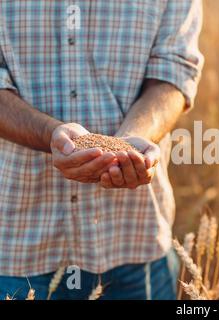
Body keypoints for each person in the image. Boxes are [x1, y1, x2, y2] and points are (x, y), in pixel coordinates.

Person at [0, 0, 203, 300]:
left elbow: (175, 70)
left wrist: (131, 141)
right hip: (18, 245)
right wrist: (49, 134)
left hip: (133, 235)